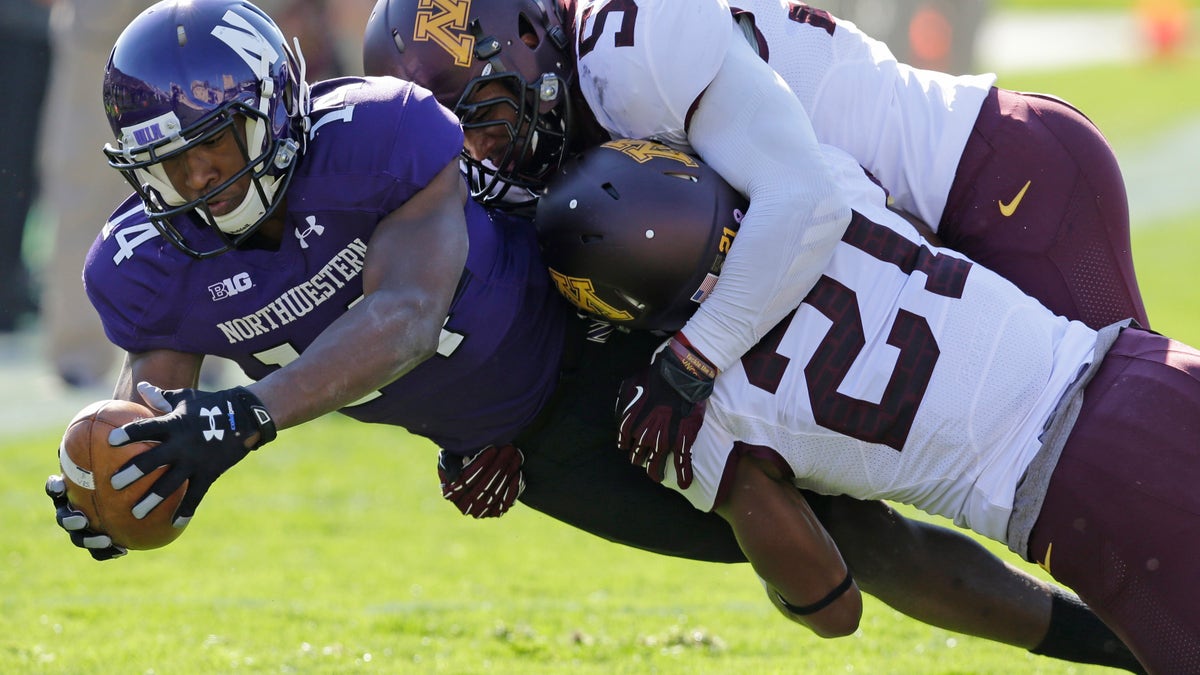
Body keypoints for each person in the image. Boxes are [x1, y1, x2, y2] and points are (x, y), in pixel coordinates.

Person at [41, 1, 1139, 672]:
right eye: (170, 164)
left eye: (213, 149)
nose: (199, 182)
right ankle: (1114, 634)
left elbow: (406, 316)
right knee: (839, 589)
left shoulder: (376, 133)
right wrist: (132, 471)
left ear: (273, 112)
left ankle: (1122, 630)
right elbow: (160, 397)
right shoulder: (146, 263)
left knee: (867, 523)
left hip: (613, 313)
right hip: (529, 438)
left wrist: (244, 417)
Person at [361, 0, 1147, 669]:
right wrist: (484, 426)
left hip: (992, 182)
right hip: (866, 253)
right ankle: (1128, 649)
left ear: (530, 36)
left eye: (483, 119)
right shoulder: (561, 117)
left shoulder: (629, 53)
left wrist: (696, 359)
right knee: (914, 517)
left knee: (1122, 479)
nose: (480, 155)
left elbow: (803, 201)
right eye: (454, 147)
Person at [535, 139, 1199, 674]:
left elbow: (830, 603)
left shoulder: (709, 415)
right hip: (1140, 368)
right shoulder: (819, 181)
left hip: (1076, 502)